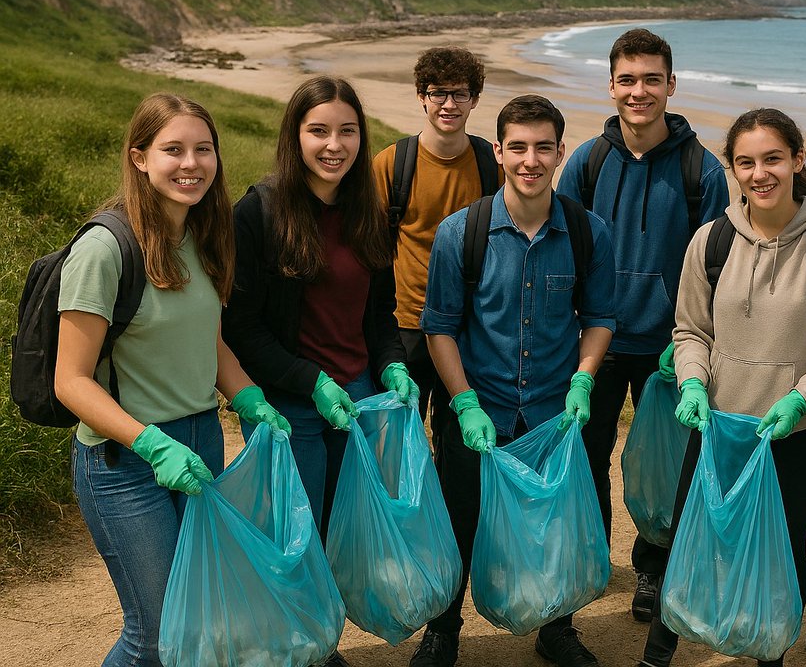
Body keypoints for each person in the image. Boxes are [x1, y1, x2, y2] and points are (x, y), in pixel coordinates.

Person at [56, 93, 290, 666]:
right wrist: (150, 442)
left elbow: (207, 340)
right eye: (173, 150)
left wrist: (250, 398)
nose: (191, 163)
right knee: (157, 636)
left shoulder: (202, 235)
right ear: (139, 158)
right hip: (125, 463)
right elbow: (70, 380)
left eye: (203, 149)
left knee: (196, 622)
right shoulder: (104, 248)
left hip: (202, 444)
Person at [640, 108, 806, 667]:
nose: (760, 173)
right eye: (746, 162)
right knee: (691, 541)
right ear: (733, 170)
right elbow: (691, 330)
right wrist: (693, 384)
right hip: (717, 426)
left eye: (772, 159)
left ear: (796, 160)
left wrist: (800, 399)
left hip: (791, 435)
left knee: (782, 551)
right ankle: (657, 654)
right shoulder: (711, 242)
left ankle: (771, 654)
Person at [413, 94, 616, 667]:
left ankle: (556, 628)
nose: (531, 160)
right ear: (498, 151)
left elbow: (600, 318)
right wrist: (464, 402)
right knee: (458, 522)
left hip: (553, 416)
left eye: (543, 147)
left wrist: (583, 380)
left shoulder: (587, 232)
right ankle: (444, 631)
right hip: (478, 410)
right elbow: (440, 329)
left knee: (552, 529)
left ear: (559, 152)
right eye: (518, 147)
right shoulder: (462, 232)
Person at [557, 27, 728, 622]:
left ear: (671, 85)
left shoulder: (701, 171)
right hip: (593, 344)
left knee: (666, 466)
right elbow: (564, 248)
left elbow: (713, 268)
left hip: (668, 347)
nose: (639, 91)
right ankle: (590, 558)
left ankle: (653, 571)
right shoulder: (587, 160)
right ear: (610, 87)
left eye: (651, 79)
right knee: (587, 456)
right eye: (627, 80)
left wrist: (691, 345)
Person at [223, 76, 411, 541]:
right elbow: (241, 328)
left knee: (348, 538)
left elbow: (380, 314)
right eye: (319, 131)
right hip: (288, 404)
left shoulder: (369, 210)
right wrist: (313, 381)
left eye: (348, 131)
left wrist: (393, 364)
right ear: (295, 136)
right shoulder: (257, 212)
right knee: (298, 539)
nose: (335, 145)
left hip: (359, 396)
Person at [372, 47, 497, 452]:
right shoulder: (392, 163)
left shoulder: (488, 163)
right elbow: (369, 250)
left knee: (461, 446)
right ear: (421, 96)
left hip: (467, 327)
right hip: (404, 324)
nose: (448, 103)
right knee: (396, 446)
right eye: (438, 92)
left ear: (474, 99)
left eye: (459, 93)